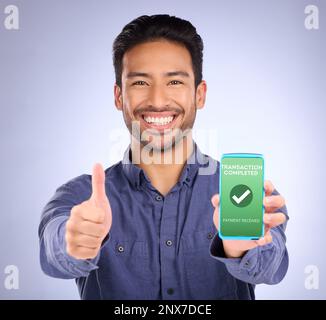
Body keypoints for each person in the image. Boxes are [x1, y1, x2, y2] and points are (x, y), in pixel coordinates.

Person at [38, 14, 289, 300]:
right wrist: (74, 242)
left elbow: (273, 266)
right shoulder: (82, 196)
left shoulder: (245, 193)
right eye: (141, 83)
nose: (157, 101)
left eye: (174, 82)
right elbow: (53, 251)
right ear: (119, 97)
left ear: (200, 94)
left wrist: (238, 245)